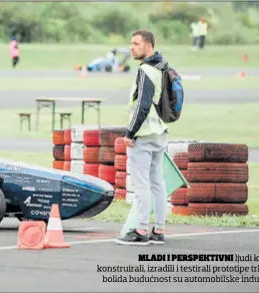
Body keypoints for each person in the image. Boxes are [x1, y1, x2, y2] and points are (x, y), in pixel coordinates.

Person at [116, 29, 170, 246]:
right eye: (131, 43)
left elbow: (142, 105)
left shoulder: (147, 70)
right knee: (157, 182)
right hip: (159, 132)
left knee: (141, 185)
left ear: (149, 46)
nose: (132, 47)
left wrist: (130, 133)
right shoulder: (162, 66)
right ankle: (159, 229)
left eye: (136, 44)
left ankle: (140, 230)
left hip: (144, 134)